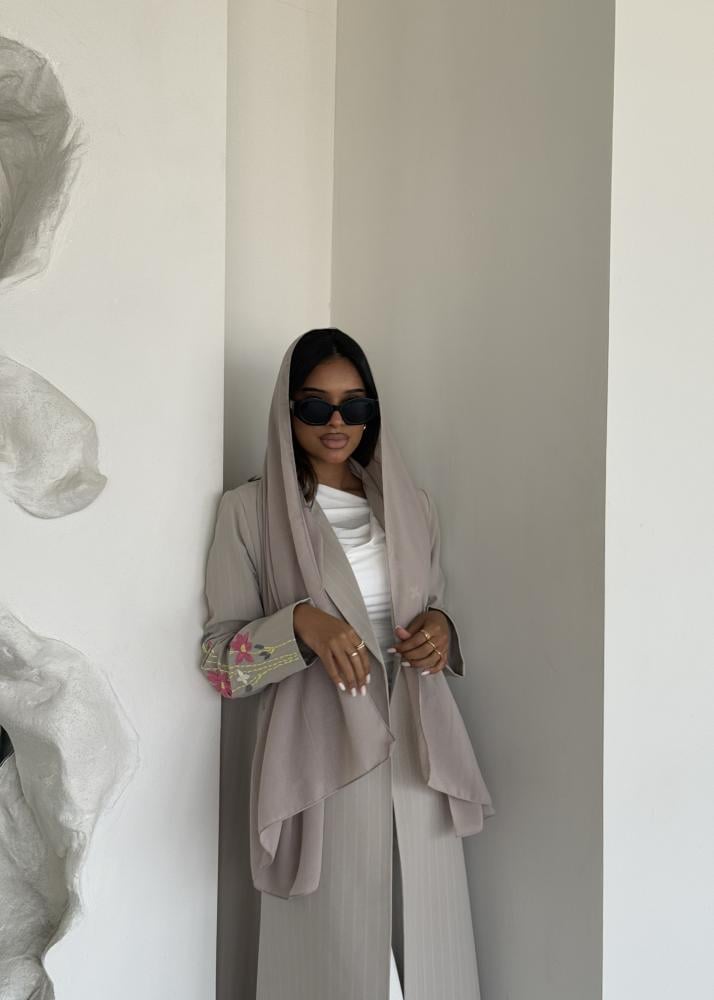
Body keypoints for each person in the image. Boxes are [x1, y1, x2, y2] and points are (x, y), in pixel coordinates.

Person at [200, 328, 494, 1000]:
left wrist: (442, 631)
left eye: (355, 405)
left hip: (419, 751)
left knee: (430, 953)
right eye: (316, 405)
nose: (337, 422)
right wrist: (300, 623)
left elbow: (429, 608)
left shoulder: (412, 508)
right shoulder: (249, 512)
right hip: (321, 762)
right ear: (287, 410)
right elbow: (221, 664)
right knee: (335, 963)